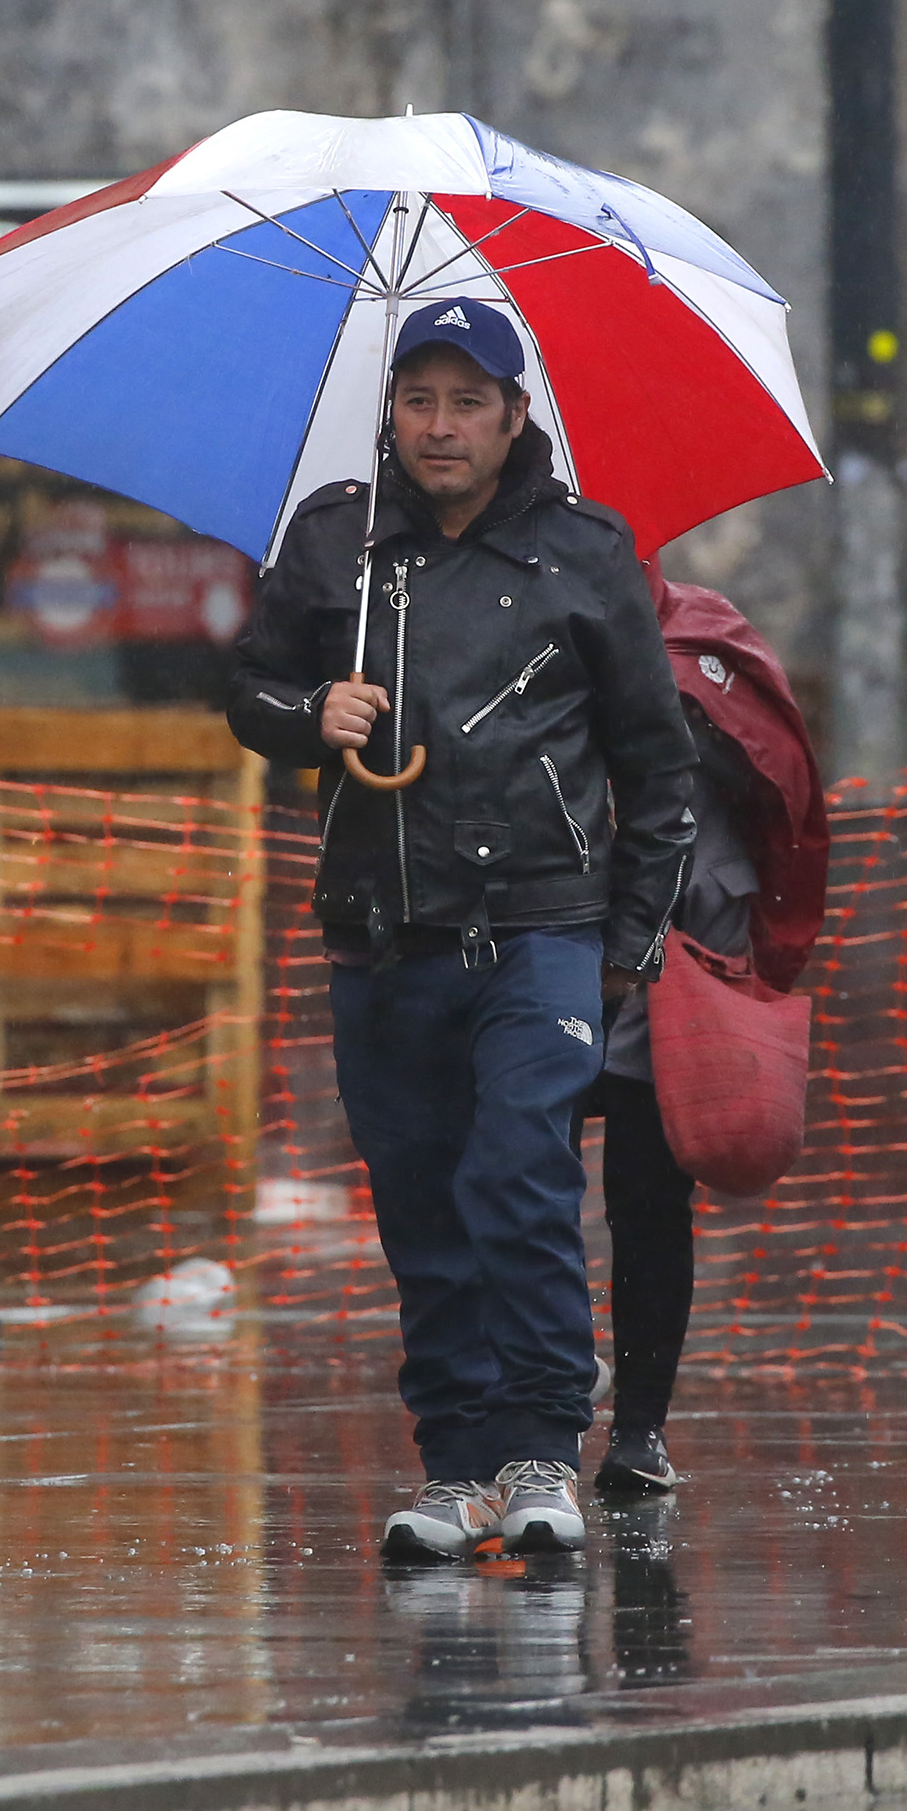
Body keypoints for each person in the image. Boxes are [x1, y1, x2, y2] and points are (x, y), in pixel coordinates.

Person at [229, 298, 697, 1562]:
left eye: (467, 403)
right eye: (418, 400)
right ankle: (455, 1466)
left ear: (513, 417)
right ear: (389, 411)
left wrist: (628, 944)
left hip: (542, 927)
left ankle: (546, 1442)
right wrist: (306, 708)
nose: (439, 428)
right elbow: (245, 689)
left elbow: (658, 766)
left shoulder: (584, 552)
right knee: (419, 1203)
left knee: (518, 1178)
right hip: (379, 932)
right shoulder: (332, 542)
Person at [585, 570, 828, 1499]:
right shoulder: (472, 606)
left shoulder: (700, 631)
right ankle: (562, 1363)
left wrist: (660, 713)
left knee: (649, 1191)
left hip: (678, 938)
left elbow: (770, 771)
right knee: (516, 1165)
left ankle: (640, 1426)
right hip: (536, 922)